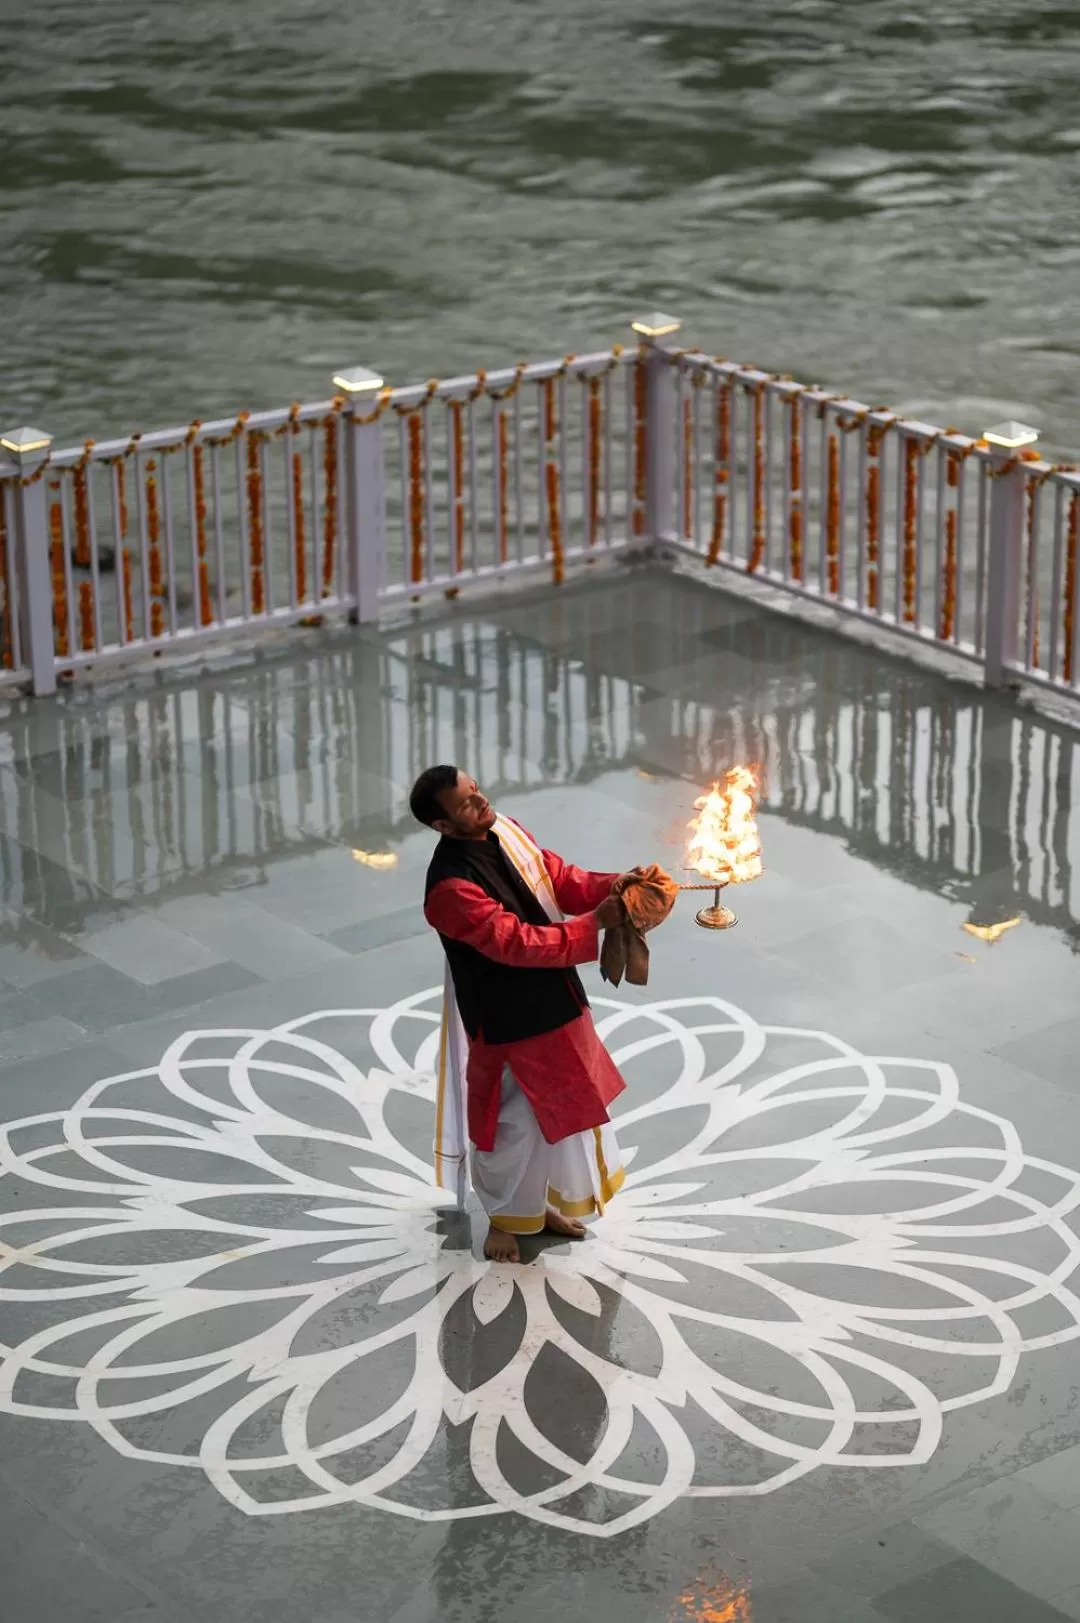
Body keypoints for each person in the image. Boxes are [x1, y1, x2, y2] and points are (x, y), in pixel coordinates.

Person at [411, 764, 633, 1264]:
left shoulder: (504, 829)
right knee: (511, 1124)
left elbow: (556, 878)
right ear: (442, 827)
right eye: (467, 803)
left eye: (476, 790)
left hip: (556, 995)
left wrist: (617, 885)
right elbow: (515, 943)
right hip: (506, 1016)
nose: (481, 802)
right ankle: (502, 1220)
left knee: (560, 1112)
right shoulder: (448, 888)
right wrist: (595, 924)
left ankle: (537, 1207)